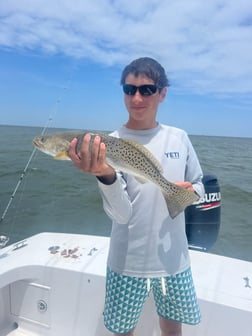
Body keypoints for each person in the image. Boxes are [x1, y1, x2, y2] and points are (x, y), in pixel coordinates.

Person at [68, 57, 204, 336]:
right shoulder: (106, 143)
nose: (137, 98)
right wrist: (104, 175)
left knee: (172, 327)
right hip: (126, 261)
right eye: (129, 90)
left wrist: (193, 193)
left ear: (163, 92)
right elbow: (121, 215)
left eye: (147, 89)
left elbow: (200, 185)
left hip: (173, 259)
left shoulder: (179, 137)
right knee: (123, 331)